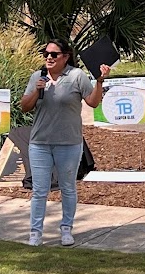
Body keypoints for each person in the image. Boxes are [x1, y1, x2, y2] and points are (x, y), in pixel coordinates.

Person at [21, 38, 111, 247]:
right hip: (40, 143)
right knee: (39, 190)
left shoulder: (76, 76)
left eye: (54, 54)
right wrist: (37, 89)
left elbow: (93, 102)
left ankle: (66, 230)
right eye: (46, 54)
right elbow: (24, 106)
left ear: (65, 57)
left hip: (69, 143)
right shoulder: (37, 77)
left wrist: (99, 81)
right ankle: (35, 233)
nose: (49, 58)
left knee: (68, 188)